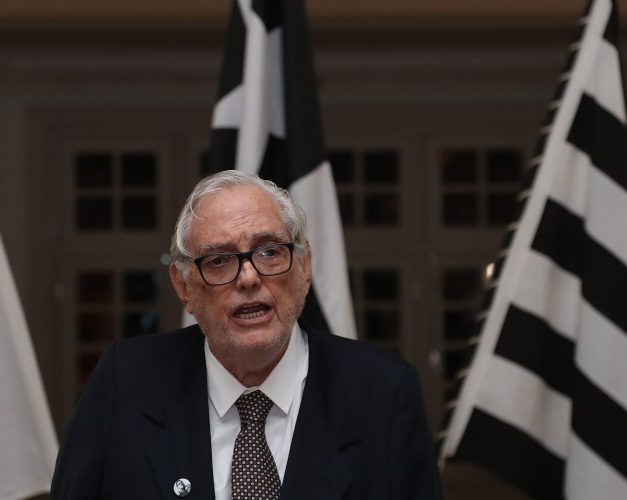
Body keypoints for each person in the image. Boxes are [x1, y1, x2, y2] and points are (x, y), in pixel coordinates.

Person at [51, 170, 442, 499]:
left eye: (270, 251)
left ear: (304, 266)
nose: (249, 277)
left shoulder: (384, 391)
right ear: (184, 286)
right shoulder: (125, 382)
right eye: (219, 260)